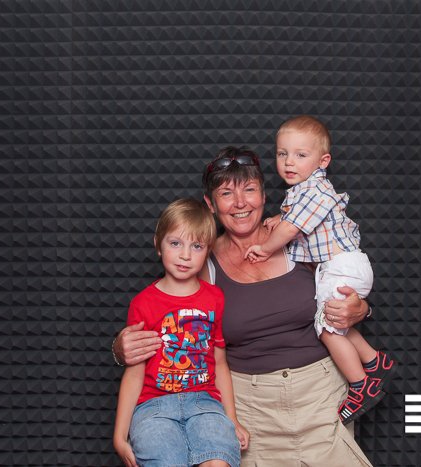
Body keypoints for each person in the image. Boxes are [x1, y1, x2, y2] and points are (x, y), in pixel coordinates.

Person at [113, 146, 375, 466]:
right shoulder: (199, 261)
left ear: (264, 195)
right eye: (226, 193)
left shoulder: (300, 238)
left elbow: (347, 284)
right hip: (251, 411)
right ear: (210, 204)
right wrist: (121, 348)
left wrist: (361, 309)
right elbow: (168, 321)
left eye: (249, 190)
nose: (240, 203)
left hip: (320, 400)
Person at [244, 115, 397, 424]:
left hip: (341, 267)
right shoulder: (305, 191)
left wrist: (265, 248)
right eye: (282, 153)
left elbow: (291, 229)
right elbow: (297, 219)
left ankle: (361, 385)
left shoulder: (315, 190)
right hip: (341, 266)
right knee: (336, 322)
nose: (289, 162)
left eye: (300, 155)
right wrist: (279, 218)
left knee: (326, 328)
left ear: (323, 161)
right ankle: (374, 362)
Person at [113, 198, 249, 467]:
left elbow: (220, 363)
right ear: (158, 245)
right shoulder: (143, 303)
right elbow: (135, 372)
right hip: (155, 407)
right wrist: (119, 436)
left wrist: (232, 419)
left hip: (204, 404)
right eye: (175, 243)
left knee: (219, 460)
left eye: (196, 246)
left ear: (207, 251)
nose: (185, 255)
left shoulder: (215, 298)